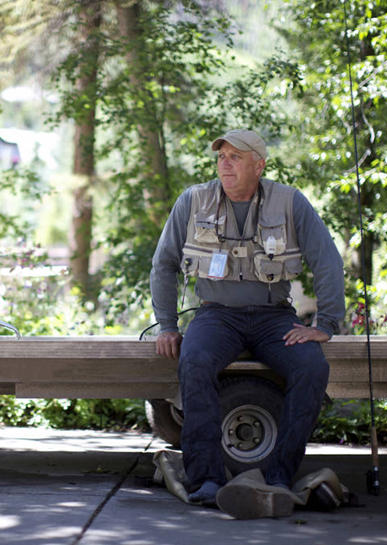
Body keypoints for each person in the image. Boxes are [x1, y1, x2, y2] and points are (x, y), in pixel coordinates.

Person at [149, 129, 345, 506]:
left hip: (274, 318)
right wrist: (168, 326)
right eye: (221, 157)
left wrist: (325, 324)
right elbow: (163, 264)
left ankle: (279, 475)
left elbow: (328, 261)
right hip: (217, 316)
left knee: (312, 368)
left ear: (259, 165)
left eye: (235, 157)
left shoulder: (289, 202)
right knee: (194, 360)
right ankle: (206, 479)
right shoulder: (193, 200)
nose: (225, 164)